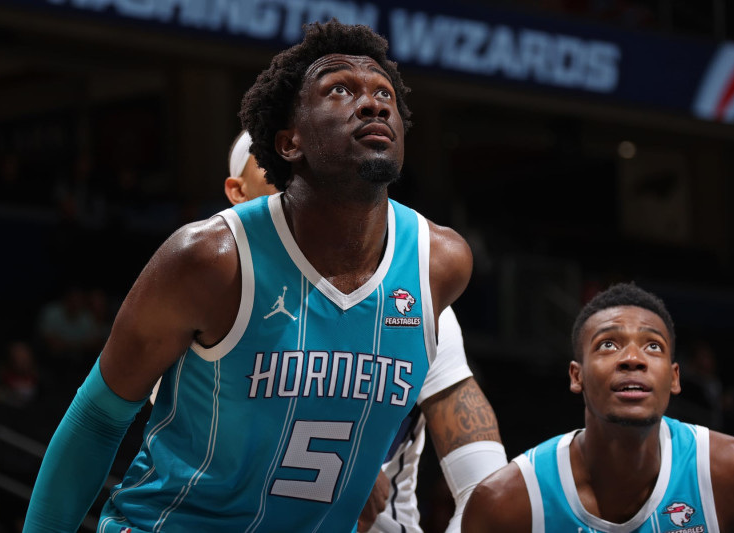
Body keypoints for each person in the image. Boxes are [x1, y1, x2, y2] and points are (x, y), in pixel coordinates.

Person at [24, 20, 475, 532]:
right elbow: (98, 419)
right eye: (340, 90)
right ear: (288, 143)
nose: (373, 103)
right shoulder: (208, 259)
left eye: (384, 93)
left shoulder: (440, 263)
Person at [223, 130, 507, 533]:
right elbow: (203, 440)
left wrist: (481, 515)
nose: (296, 182)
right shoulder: (212, 289)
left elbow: (477, 461)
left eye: (310, 168)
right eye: (277, 168)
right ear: (238, 191)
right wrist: (340, 464)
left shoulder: (415, 297)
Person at [461, 282, 734, 533]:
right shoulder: (505, 504)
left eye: (653, 346)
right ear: (577, 376)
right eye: (608, 344)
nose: (633, 358)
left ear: (674, 377)